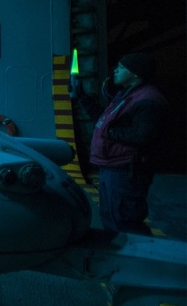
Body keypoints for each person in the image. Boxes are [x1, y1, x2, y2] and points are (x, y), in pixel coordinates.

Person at [71, 52, 167, 235]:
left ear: (136, 73)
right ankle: (120, 257)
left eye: (121, 67)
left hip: (125, 171)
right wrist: (82, 96)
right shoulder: (127, 95)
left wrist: (110, 131)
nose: (115, 71)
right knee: (111, 217)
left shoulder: (148, 100)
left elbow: (144, 136)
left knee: (125, 222)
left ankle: (137, 260)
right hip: (113, 168)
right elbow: (103, 120)